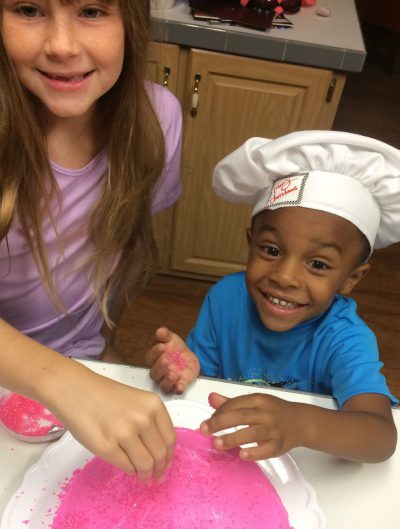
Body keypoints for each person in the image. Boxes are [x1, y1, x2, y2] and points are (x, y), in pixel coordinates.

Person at [0, 0, 183, 479]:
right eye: (28, 9)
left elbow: (122, 255)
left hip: (82, 367)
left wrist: (103, 352)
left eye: (93, 11)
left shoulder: (156, 120)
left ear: (133, 22)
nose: (62, 46)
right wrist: (68, 382)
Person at [146, 131, 399, 464]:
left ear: (351, 279)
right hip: (233, 457)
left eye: (318, 264)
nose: (284, 276)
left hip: (306, 465)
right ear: (251, 243)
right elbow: (204, 377)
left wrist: (302, 423)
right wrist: (187, 369)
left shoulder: (345, 339)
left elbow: (380, 438)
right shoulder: (226, 298)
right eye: (271, 250)